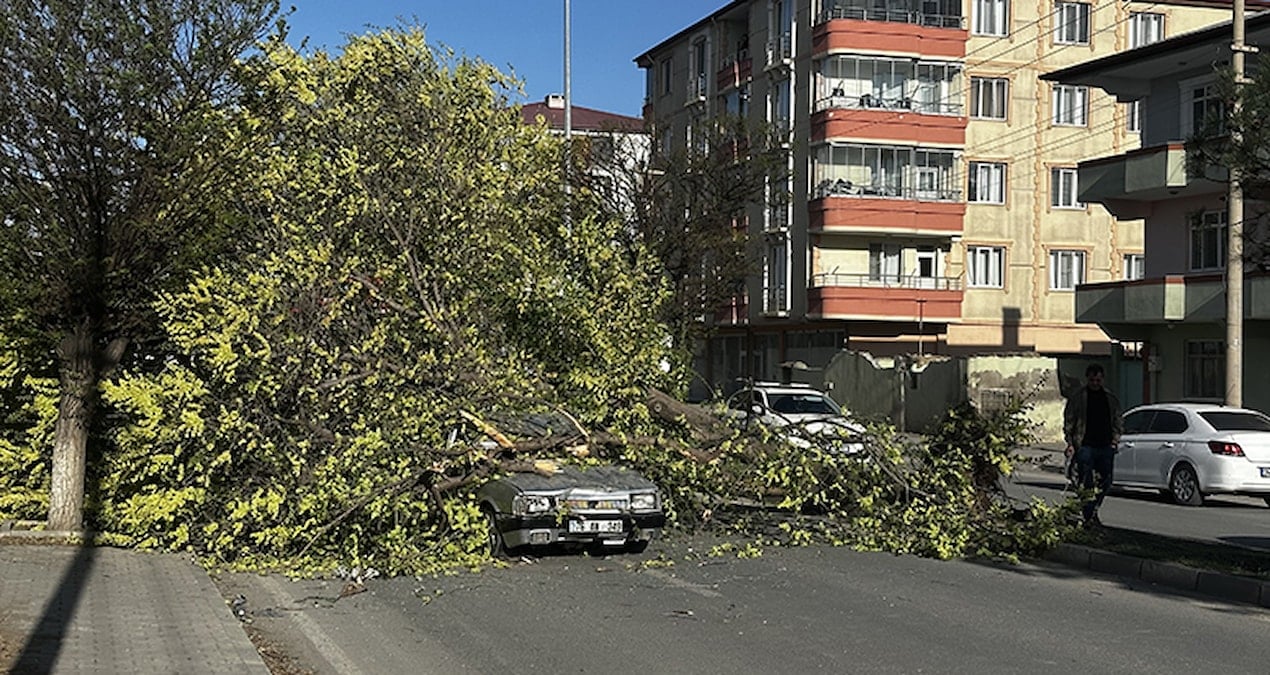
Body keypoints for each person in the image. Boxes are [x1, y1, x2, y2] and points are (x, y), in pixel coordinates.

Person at [1062, 363, 1122, 528]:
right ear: (1087, 379)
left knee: (1106, 481)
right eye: (1092, 379)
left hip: (1105, 446)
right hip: (1085, 445)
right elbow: (1069, 421)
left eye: (1098, 379)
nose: (1095, 382)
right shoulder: (1078, 398)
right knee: (1086, 482)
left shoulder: (1110, 398)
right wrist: (1070, 443)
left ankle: (1093, 508)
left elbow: (1117, 419)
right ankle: (1089, 516)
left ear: (1103, 379)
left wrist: (1115, 439)